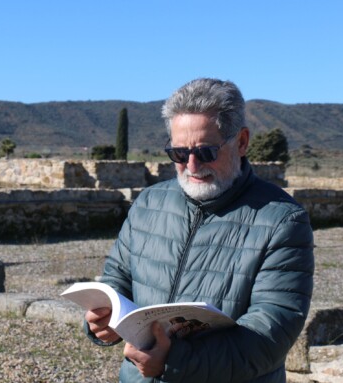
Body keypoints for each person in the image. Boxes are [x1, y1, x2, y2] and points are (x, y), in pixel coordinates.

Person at [84, 78, 314, 382]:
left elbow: (268, 337)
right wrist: (101, 320)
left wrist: (172, 362)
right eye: (179, 153)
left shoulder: (283, 221)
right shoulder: (149, 203)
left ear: (242, 142)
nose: (191, 166)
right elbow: (118, 279)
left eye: (205, 152)